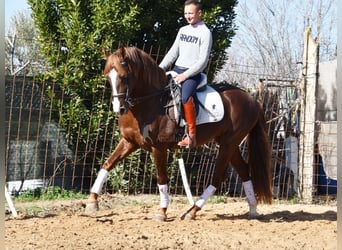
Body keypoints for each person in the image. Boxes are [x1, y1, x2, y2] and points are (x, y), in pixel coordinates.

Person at [159, 0, 213, 148]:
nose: (188, 16)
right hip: (177, 69)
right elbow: (173, 52)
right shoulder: (183, 30)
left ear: (199, 13)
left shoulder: (205, 33)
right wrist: (160, 68)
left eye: (190, 13)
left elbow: (203, 61)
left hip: (193, 74)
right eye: (185, 13)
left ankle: (191, 135)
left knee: (185, 97)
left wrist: (186, 75)